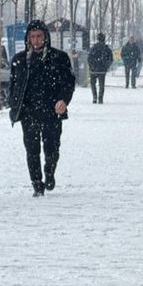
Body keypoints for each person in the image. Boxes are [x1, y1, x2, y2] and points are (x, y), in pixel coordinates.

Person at [9, 19, 76, 197]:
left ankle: (49, 171)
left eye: (39, 36)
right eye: (33, 37)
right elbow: (14, 86)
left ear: (45, 37)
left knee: (52, 147)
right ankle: (37, 183)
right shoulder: (20, 61)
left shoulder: (59, 58)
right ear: (28, 39)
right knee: (31, 149)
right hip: (29, 111)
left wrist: (63, 100)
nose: (36, 40)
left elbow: (68, 83)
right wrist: (14, 106)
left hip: (52, 111)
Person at [88, 33, 113, 104]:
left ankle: (94, 97)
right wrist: (106, 66)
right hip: (102, 70)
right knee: (101, 84)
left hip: (93, 69)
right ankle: (100, 98)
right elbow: (110, 59)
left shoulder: (93, 47)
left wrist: (91, 65)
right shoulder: (106, 48)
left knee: (93, 84)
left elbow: (89, 58)